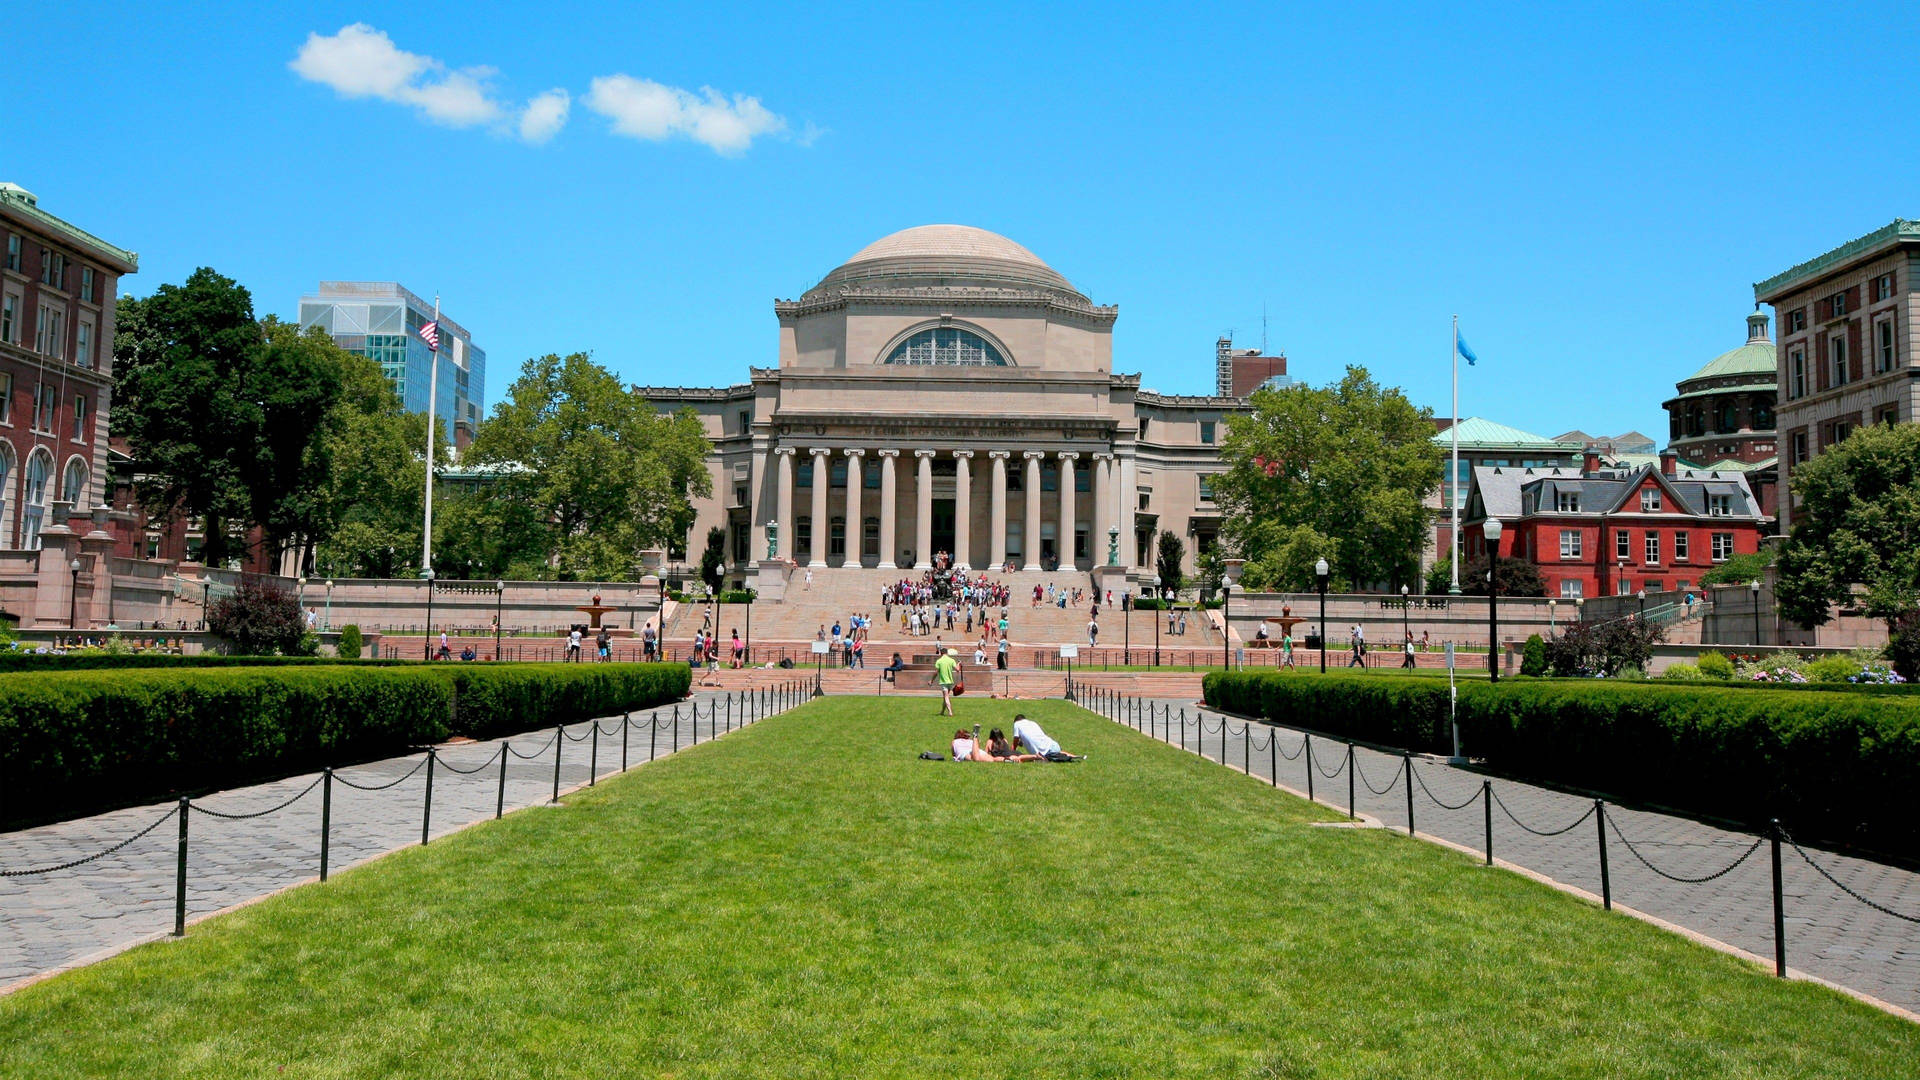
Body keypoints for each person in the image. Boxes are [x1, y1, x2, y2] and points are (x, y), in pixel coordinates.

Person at [1012, 715, 1081, 760]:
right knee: (1058, 753)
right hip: (1052, 744)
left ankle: (1070, 757)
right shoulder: (1032, 723)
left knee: (1056, 757)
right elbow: (1033, 738)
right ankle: (1074, 756)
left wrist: (1013, 751)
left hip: (1042, 753)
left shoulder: (1017, 724)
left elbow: (1016, 739)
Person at [934, 648, 960, 716]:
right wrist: (958, 664)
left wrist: (931, 680)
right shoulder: (951, 660)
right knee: (946, 697)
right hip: (950, 681)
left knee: (946, 697)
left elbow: (936, 672)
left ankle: (950, 712)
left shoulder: (939, 661)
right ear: (947, 653)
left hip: (943, 681)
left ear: (941, 653)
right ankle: (942, 712)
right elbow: (957, 670)